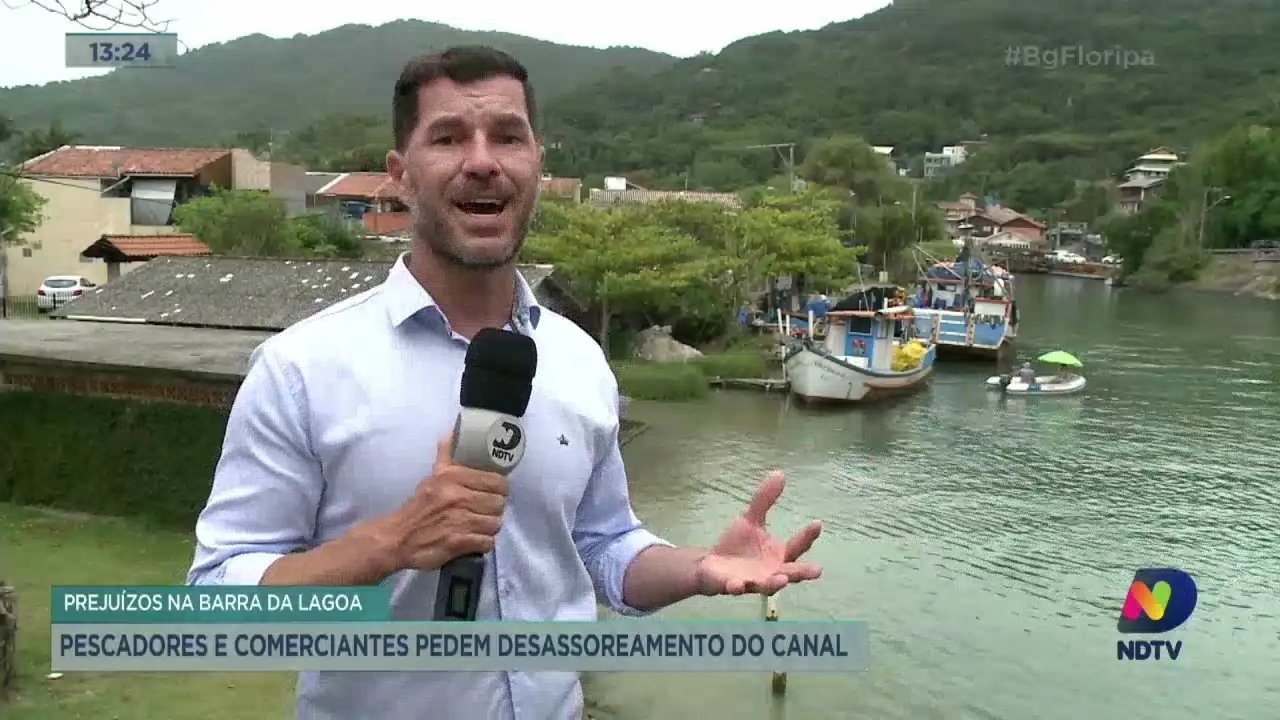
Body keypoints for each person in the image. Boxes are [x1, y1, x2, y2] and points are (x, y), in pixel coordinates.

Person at [185, 46, 823, 720]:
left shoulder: (579, 360)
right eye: (449, 136)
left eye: (508, 136)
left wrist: (696, 569)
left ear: (536, 164)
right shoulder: (301, 369)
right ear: (401, 176)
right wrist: (390, 543)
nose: (483, 159)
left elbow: (605, 547)